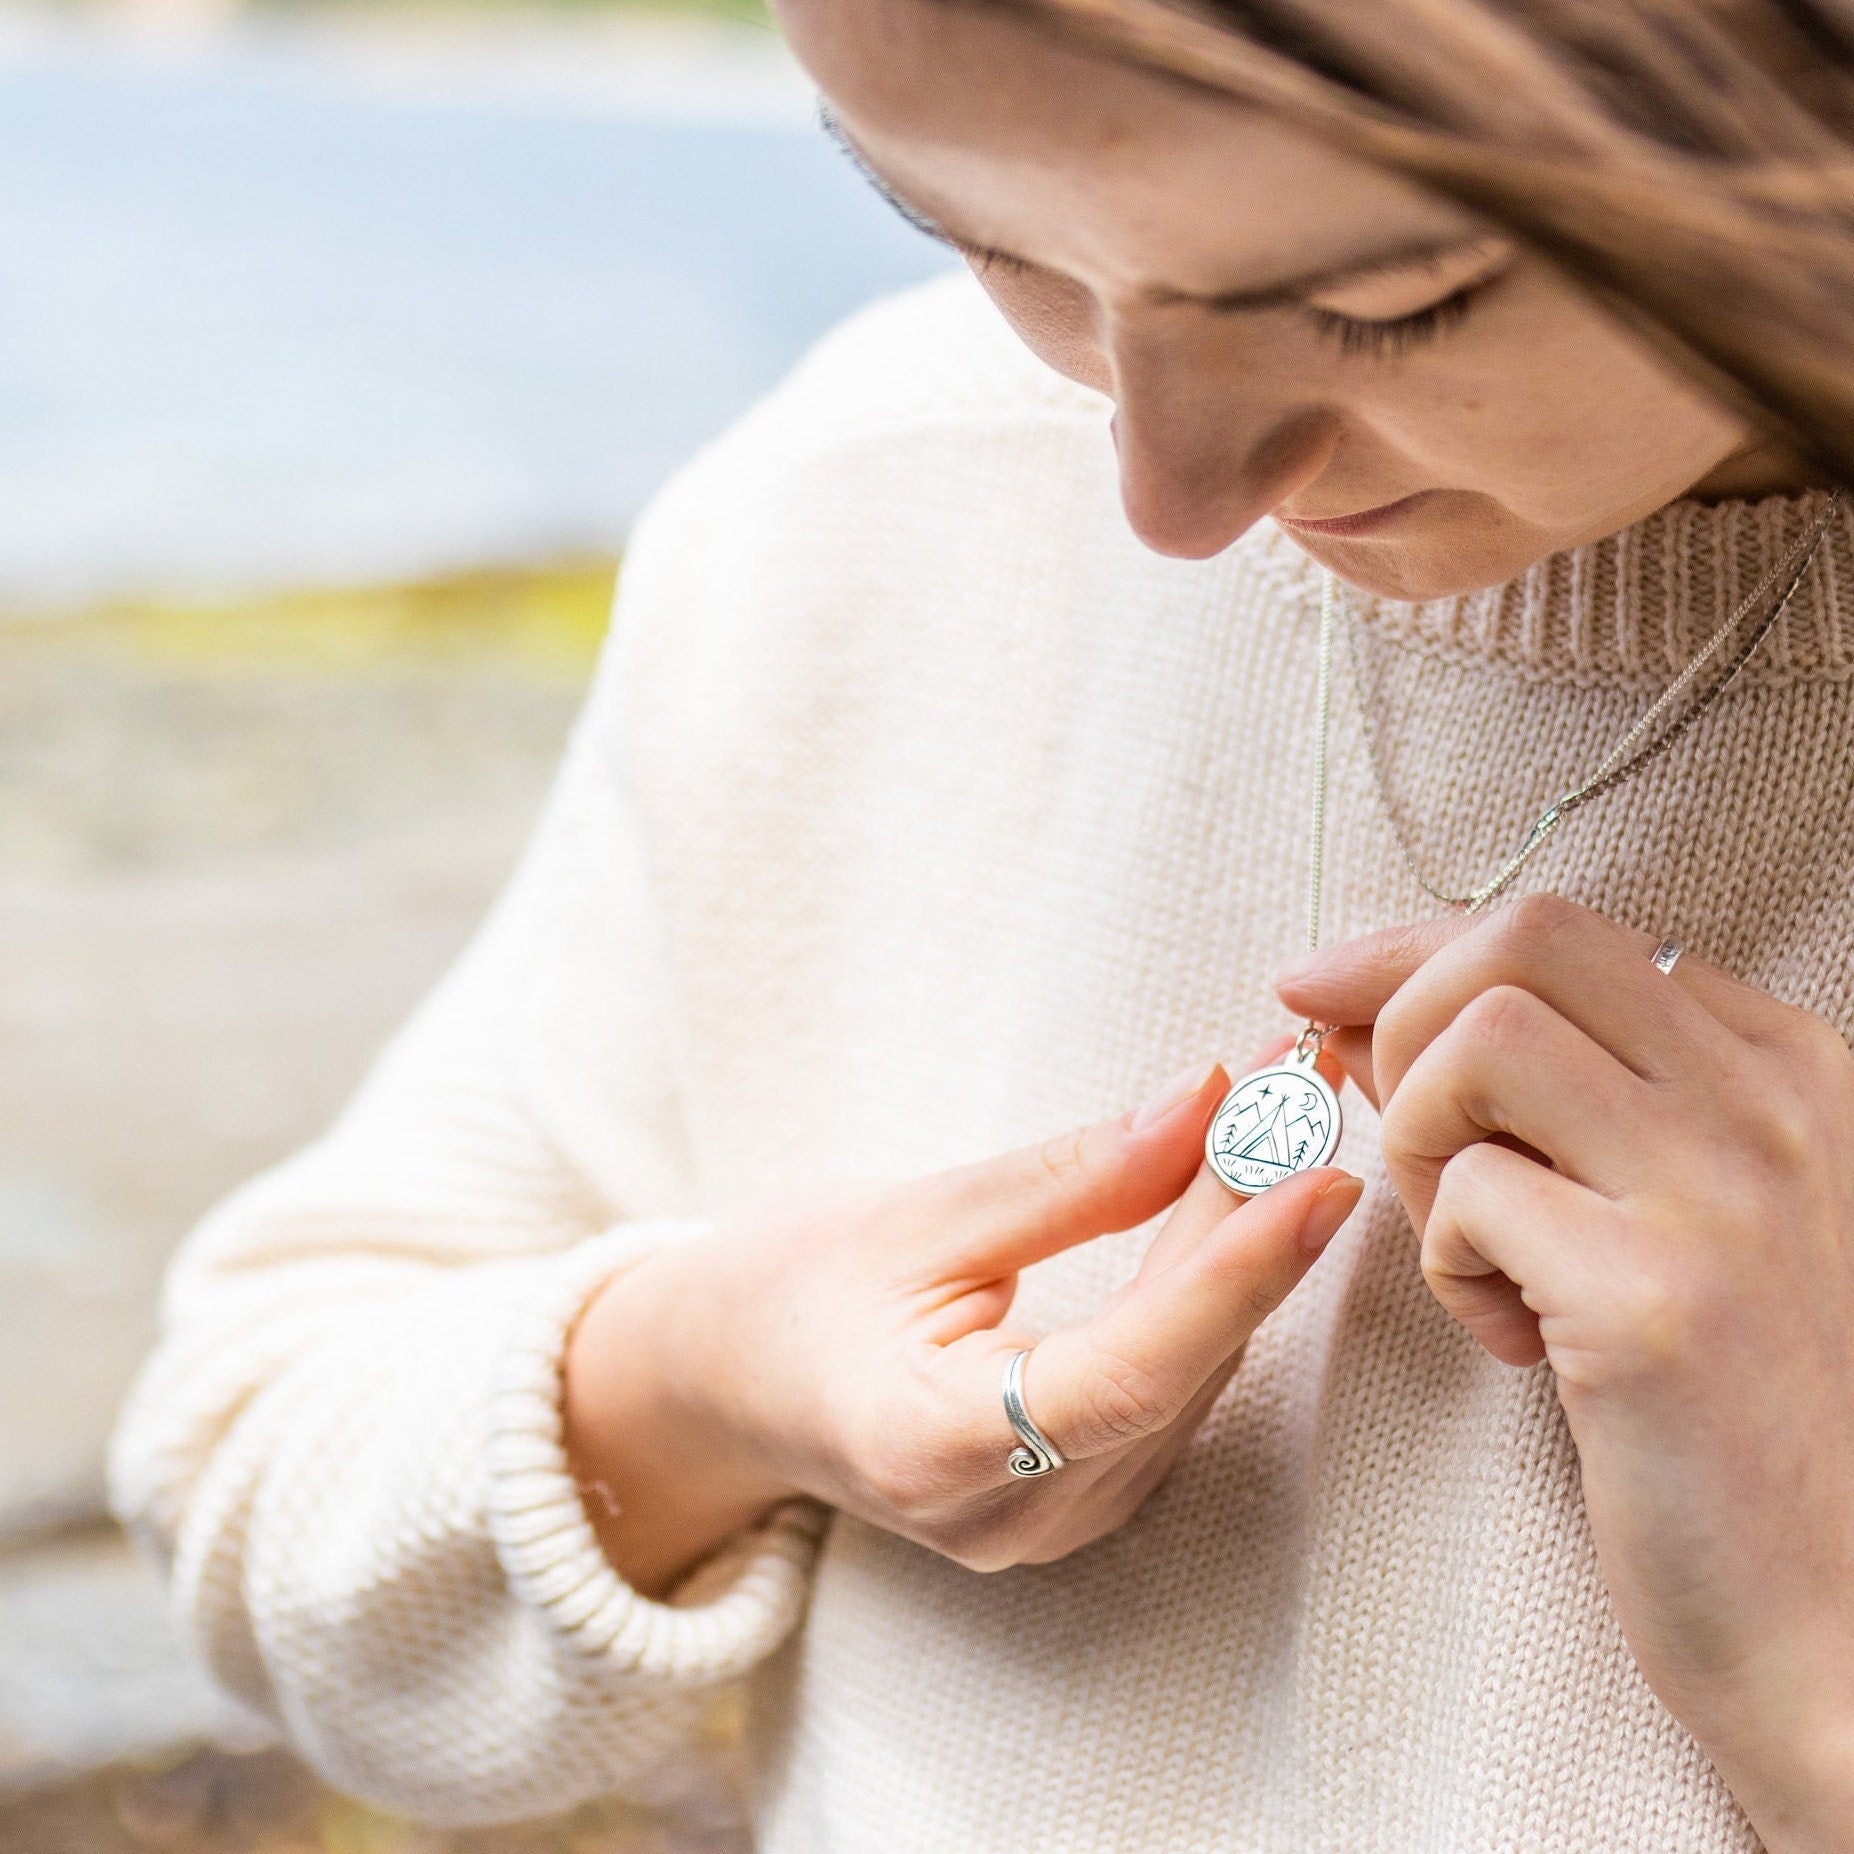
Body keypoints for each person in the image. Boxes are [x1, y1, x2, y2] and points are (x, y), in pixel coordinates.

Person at [111, 2, 1854, 1849]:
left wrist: (1817, 1656)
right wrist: (711, 1383)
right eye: (980, 236)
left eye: (1388, 301)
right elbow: (251, 1474)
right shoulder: (862, 498)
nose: (1167, 494)